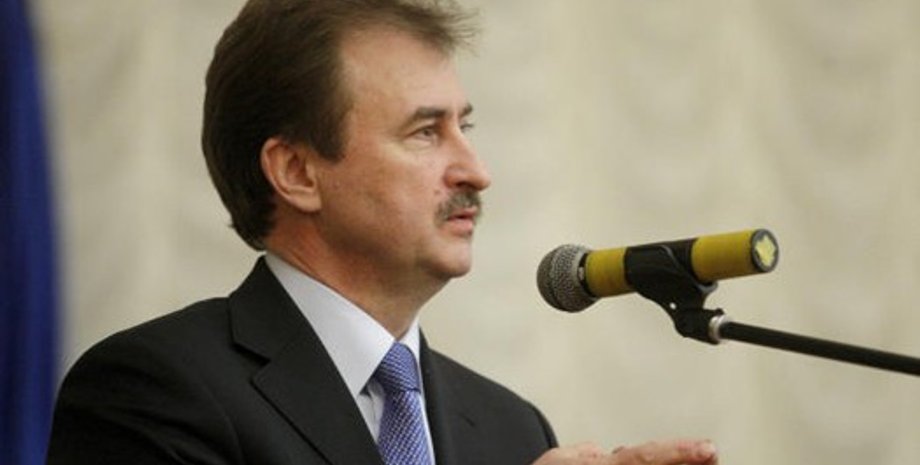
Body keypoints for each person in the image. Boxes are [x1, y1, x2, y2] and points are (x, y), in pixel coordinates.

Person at [46, 1, 719, 464]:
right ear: (297, 172)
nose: (477, 171)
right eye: (425, 132)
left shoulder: (513, 426)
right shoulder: (152, 391)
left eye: (465, 126)